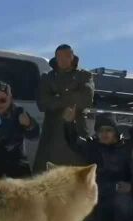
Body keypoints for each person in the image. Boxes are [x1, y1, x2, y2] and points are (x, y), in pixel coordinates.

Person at [64, 111, 133, 221]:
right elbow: (74, 141)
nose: (104, 134)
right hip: (98, 195)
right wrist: (70, 123)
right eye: (101, 130)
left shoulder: (126, 149)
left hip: (118, 197)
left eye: (108, 130)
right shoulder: (91, 147)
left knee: (123, 201)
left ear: (115, 132)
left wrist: (130, 186)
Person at [33, 44, 94, 173]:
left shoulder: (84, 75)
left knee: (77, 171)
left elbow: (86, 99)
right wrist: (71, 96)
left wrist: (57, 97)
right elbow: (42, 103)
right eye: (59, 56)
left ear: (73, 57)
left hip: (76, 128)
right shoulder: (48, 77)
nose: (63, 59)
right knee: (48, 172)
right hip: (52, 129)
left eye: (67, 56)